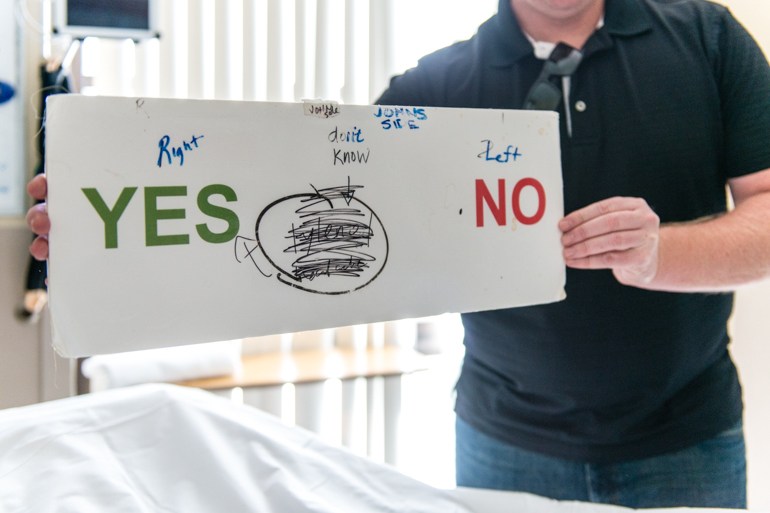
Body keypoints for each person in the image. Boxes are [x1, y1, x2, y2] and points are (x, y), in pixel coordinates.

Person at [26, 0, 770, 508]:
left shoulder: (706, 38)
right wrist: (104, 239)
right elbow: (271, 212)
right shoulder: (433, 88)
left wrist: (655, 254)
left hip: (689, 440)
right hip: (501, 440)